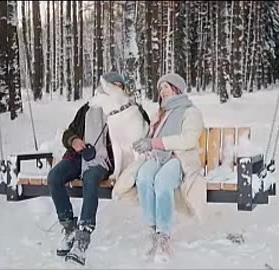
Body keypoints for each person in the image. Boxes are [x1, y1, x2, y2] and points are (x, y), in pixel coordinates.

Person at [113, 72, 207, 263]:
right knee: (143, 177)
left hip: (179, 158)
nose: (162, 91)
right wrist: (142, 142)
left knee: (162, 182)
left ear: (177, 89)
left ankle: (164, 234)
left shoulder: (191, 112)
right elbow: (149, 135)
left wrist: (155, 143)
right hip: (157, 157)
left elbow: (188, 140)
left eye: (166, 87)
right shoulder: (160, 113)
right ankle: (152, 228)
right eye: (160, 88)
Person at [47, 72, 126, 266]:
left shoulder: (125, 109)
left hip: (103, 161)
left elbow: (139, 127)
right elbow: (69, 132)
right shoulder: (88, 108)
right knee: (54, 176)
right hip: (78, 157)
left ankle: (83, 237)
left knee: (91, 180)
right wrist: (74, 141)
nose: (114, 90)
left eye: (118, 86)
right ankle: (69, 227)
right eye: (111, 85)